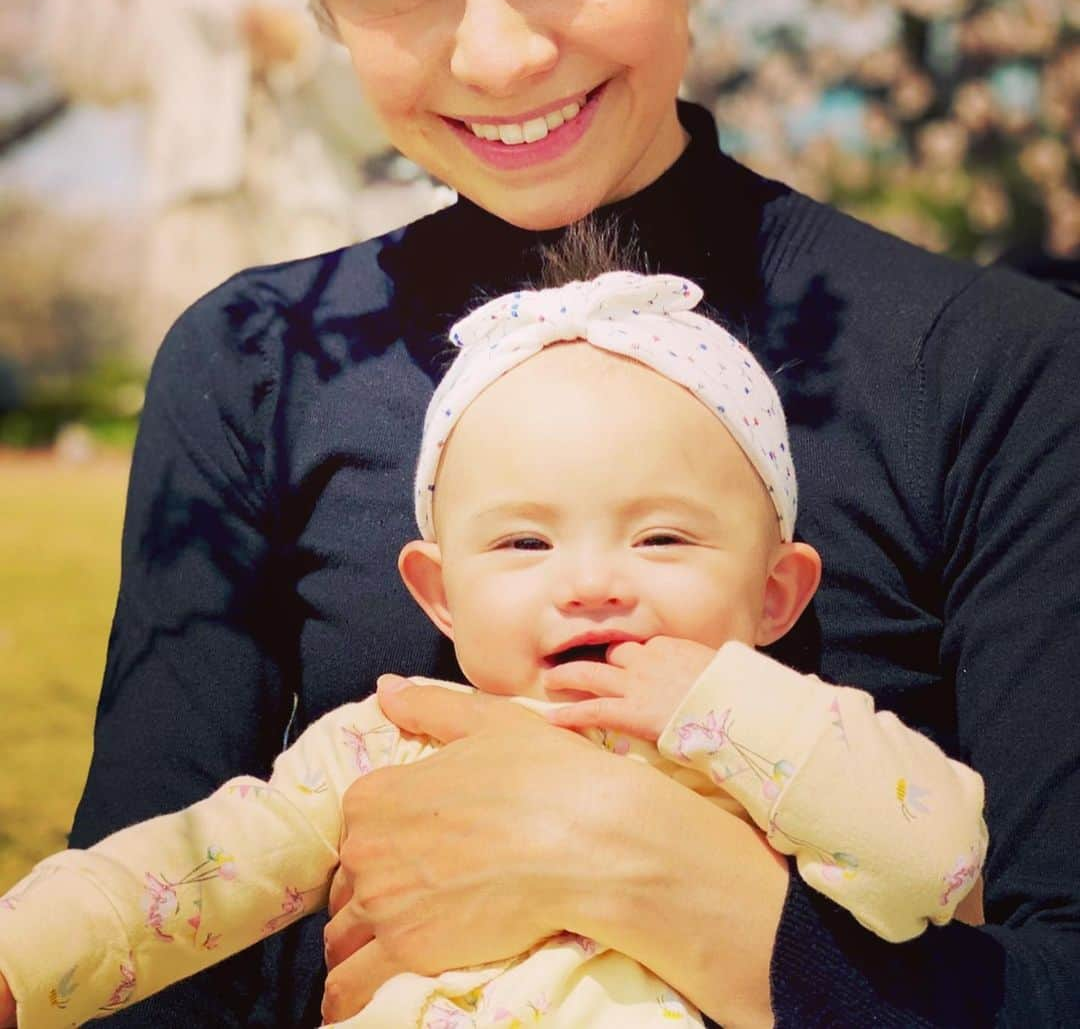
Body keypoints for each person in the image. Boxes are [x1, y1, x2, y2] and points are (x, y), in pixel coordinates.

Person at [53, 0, 1080, 1024]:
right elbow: (154, 955)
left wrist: (662, 885)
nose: (497, 53)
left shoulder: (997, 369)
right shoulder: (249, 362)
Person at [0, 266, 988, 1027]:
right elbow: (188, 873)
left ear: (777, 592)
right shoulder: (387, 749)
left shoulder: (792, 754)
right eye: (525, 540)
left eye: (662, 536)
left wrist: (731, 710)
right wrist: (21, 960)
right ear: (439, 593)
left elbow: (936, 864)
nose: (592, 580)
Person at [38, 0, 436, 358]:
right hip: (198, 235)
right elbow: (93, 71)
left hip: (322, 224)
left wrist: (302, 53)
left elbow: (375, 123)